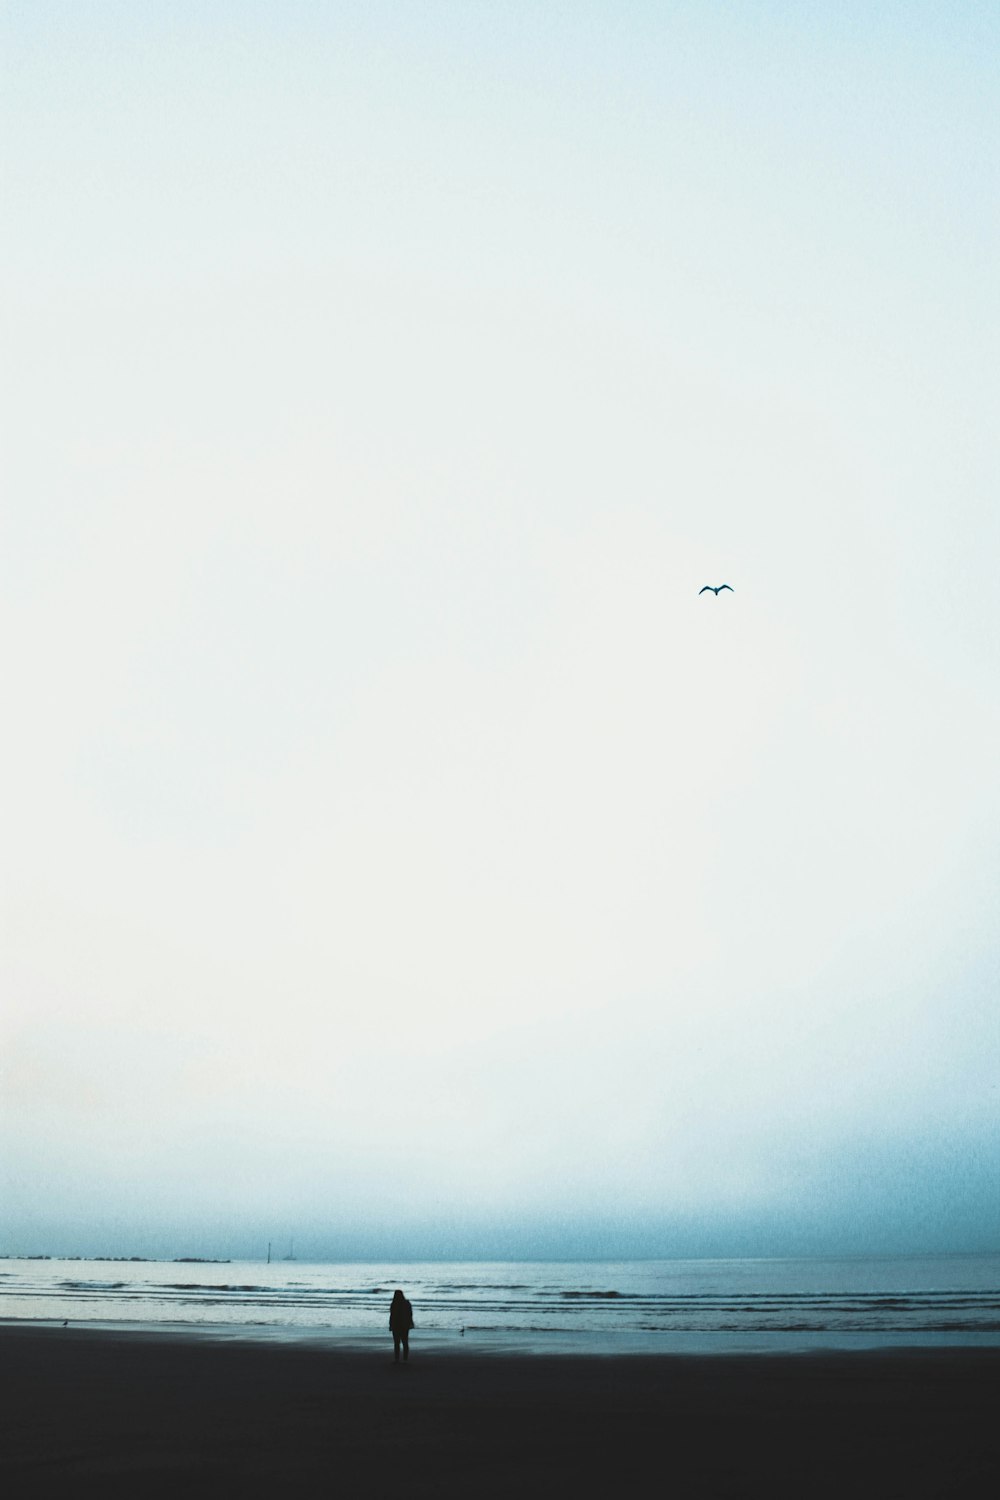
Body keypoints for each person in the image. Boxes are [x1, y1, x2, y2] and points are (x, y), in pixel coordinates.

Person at [389, 1288, 414, 1363]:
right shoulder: (406, 1303)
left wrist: (390, 1324)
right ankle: (405, 1359)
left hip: (396, 1324)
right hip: (404, 1324)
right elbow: (410, 1314)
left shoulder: (394, 1303)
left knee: (397, 1343)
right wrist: (410, 1323)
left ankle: (397, 1359)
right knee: (405, 1342)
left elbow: (392, 1315)